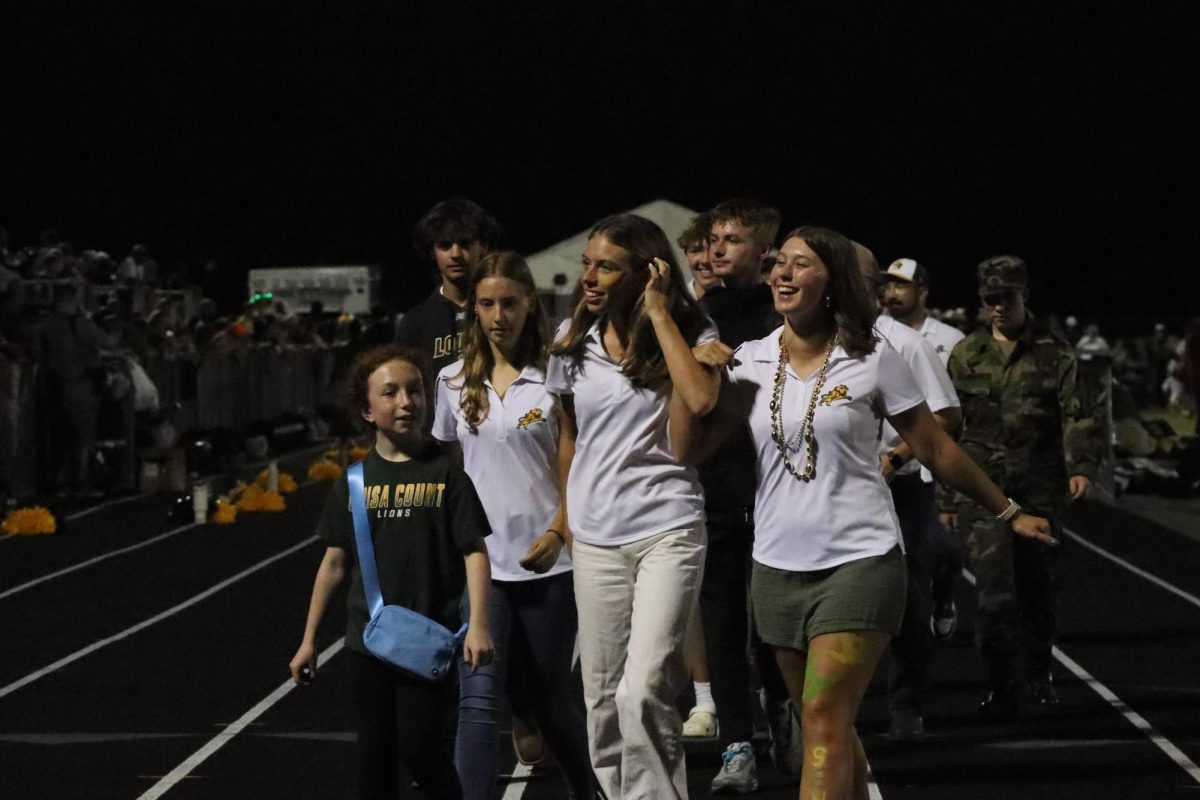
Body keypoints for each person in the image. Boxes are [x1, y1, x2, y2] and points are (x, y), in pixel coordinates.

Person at [695, 227, 1055, 800]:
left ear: (832, 282)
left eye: (800, 265)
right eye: (778, 264)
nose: (783, 274)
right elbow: (691, 447)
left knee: (820, 716)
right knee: (825, 725)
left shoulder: (872, 355)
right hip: (776, 567)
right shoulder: (751, 360)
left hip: (860, 560)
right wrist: (695, 375)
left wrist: (1009, 511)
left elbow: (937, 446)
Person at [546, 213, 718, 799]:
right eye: (587, 264)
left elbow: (696, 399)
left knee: (642, 687)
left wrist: (663, 313)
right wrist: (568, 519)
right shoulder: (571, 343)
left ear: (647, 272)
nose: (590, 277)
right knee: (600, 697)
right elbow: (569, 436)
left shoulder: (690, 329)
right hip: (596, 534)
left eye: (607, 266)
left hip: (667, 525)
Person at [289, 344, 494, 800]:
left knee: (421, 749)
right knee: (374, 758)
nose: (406, 402)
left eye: (415, 391)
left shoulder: (447, 476)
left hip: (429, 639)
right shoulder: (355, 481)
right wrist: (308, 641)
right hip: (369, 642)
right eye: (390, 393)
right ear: (366, 409)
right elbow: (335, 563)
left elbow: (475, 552)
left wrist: (478, 624)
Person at [432, 252, 595, 800]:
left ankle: (587, 788)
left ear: (530, 303)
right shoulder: (452, 381)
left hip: (552, 561)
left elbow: (578, 458)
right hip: (483, 567)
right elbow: (449, 468)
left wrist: (559, 530)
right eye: (486, 304)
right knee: (477, 698)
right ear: (473, 310)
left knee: (551, 697)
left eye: (509, 302)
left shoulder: (557, 373)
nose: (498, 315)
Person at [947, 255, 1103, 717]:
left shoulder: (1056, 354)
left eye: (1006, 298)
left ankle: (1038, 674)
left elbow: (1079, 414)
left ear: (1024, 296)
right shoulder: (966, 354)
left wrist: (1082, 466)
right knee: (993, 593)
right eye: (989, 299)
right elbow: (950, 428)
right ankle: (1000, 683)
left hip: (1039, 488)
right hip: (984, 492)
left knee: (1038, 588)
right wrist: (946, 496)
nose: (997, 307)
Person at [692, 198, 796, 793]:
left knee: (776, 627)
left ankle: (780, 705)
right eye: (714, 240)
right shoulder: (698, 313)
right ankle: (737, 745)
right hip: (716, 490)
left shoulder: (785, 312)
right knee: (724, 626)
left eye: (730, 240)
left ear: (763, 251)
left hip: (780, 493)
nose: (717, 250)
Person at [875, 256, 966, 740]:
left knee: (918, 585)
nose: (892, 293)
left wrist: (896, 457)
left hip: (910, 476)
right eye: (886, 284)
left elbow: (949, 414)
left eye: (901, 285)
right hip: (841, 485)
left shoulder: (939, 342)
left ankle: (906, 702)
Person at [396, 198, 501, 377]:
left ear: (483, 246)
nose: (455, 254)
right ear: (432, 251)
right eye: (445, 246)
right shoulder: (414, 323)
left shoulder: (502, 311)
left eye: (465, 244)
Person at [677, 212, 721, 301]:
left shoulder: (745, 303)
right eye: (695, 250)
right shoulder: (675, 303)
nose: (705, 260)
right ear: (686, 254)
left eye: (712, 250)